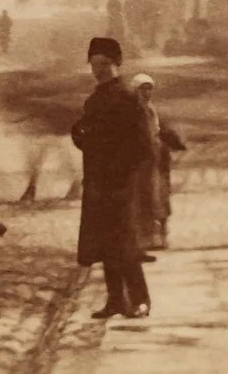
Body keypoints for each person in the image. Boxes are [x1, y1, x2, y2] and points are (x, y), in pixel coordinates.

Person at [72, 36, 154, 320]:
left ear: (118, 64)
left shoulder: (128, 97)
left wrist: (120, 174)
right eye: (95, 65)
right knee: (106, 245)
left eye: (105, 64)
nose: (100, 70)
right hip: (97, 182)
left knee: (125, 243)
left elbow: (142, 144)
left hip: (120, 183)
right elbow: (88, 138)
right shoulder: (94, 99)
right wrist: (79, 135)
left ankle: (141, 300)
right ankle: (116, 300)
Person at [130, 73, 185, 253]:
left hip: (157, 162)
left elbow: (163, 131)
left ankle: (160, 237)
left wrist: (174, 144)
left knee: (160, 198)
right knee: (141, 200)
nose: (146, 92)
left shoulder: (153, 111)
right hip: (138, 163)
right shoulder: (130, 112)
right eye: (142, 88)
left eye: (149, 88)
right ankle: (143, 239)